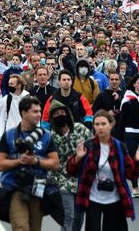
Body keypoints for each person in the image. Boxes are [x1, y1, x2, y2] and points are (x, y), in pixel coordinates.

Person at [66, 110, 139, 231]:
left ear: (111, 125)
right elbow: (71, 171)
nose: (100, 127)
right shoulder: (88, 146)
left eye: (103, 124)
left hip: (114, 199)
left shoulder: (119, 147)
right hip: (92, 198)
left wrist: (137, 160)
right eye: (97, 124)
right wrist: (78, 158)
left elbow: (131, 174)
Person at [0, 95, 60, 231]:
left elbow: (55, 163)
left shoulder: (46, 135)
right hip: (15, 188)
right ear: (24, 113)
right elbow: (0, 164)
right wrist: (20, 161)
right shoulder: (9, 136)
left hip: (38, 187)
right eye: (35, 111)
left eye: (39, 111)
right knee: (21, 228)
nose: (39, 115)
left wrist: (36, 161)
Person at [48, 99, 93, 231]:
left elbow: (93, 150)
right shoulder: (52, 137)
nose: (60, 115)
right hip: (63, 182)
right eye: (56, 114)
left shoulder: (80, 129)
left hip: (82, 181)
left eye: (62, 112)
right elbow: (51, 163)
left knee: (79, 218)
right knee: (69, 216)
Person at [0, 74, 30, 140]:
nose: (9, 86)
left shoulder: (28, 98)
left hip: (26, 136)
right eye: (9, 84)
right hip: (10, 136)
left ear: (19, 85)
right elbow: (1, 119)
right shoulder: (5, 100)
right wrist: (0, 137)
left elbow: (34, 117)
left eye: (11, 84)